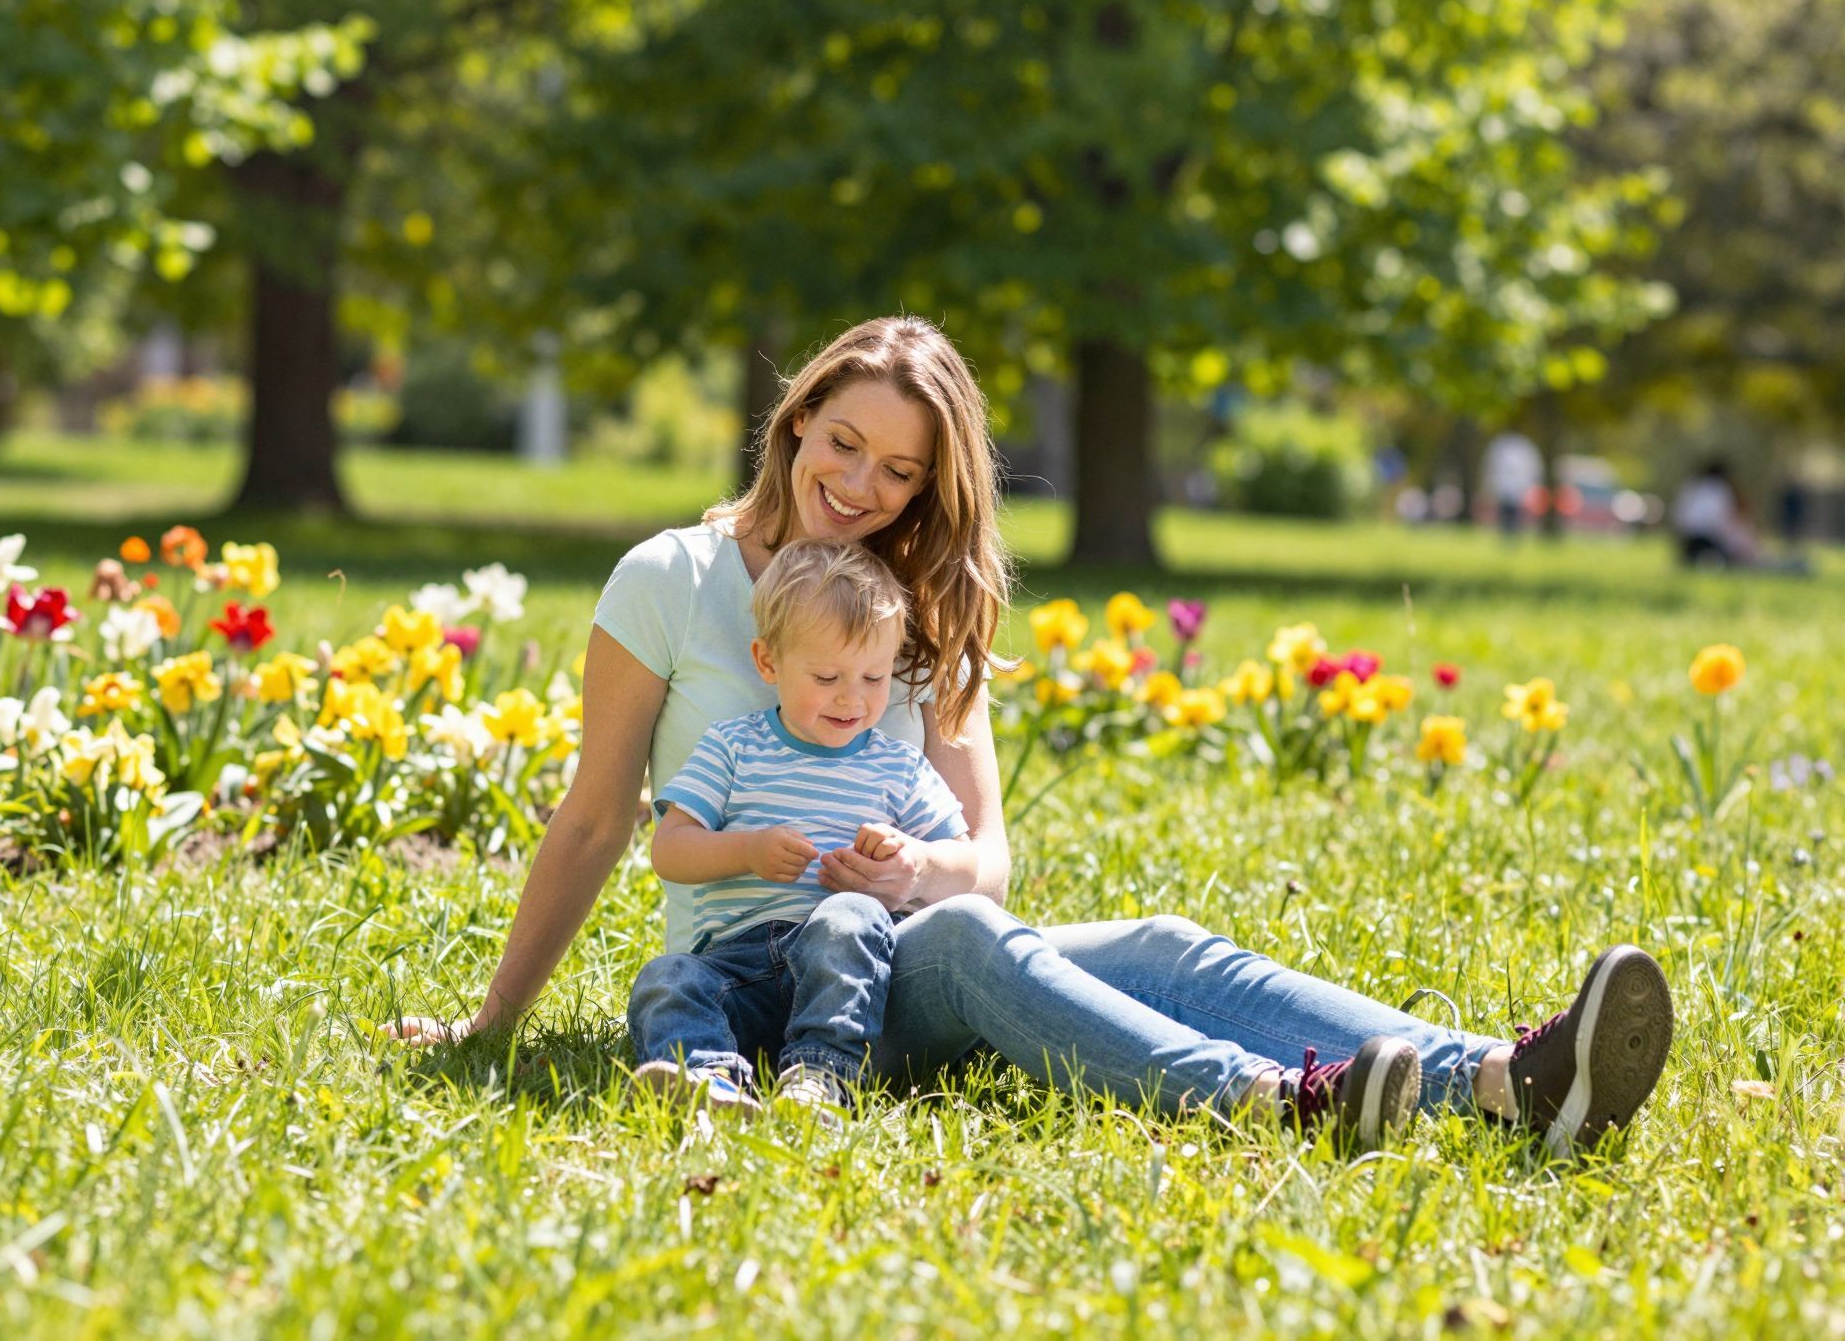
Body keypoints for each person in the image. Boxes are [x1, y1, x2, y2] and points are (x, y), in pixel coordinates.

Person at [388, 317, 1673, 1156]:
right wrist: (494, 1024)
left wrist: (910, 869)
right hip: (779, 1007)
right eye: (842, 443)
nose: (861, 487)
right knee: (955, 938)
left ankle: (1502, 1082)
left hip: (913, 939)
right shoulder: (664, 581)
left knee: (1150, 942)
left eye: (900, 472)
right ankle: (1275, 1098)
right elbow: (599, 819)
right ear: (793, 426)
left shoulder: (919, 606)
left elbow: (984, 867)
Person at [628, 538, 969, 1117]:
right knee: (667, 977)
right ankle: (708, 1083)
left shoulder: (898, 764)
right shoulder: (733, 747)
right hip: (737, 967)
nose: (852, 698)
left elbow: (962, 864)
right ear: (768, 662)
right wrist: (747, 852)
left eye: (873, 676)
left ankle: (818, 1078)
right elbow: (670, 850)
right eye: (828, 675)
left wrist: (909, 860)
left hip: (846, 970)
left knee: (852, 915)